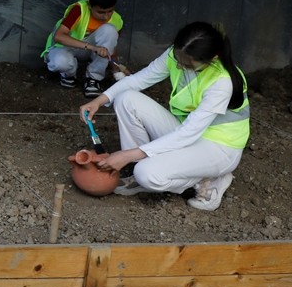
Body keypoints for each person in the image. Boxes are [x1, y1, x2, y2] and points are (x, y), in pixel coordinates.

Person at [80, 21, 250, 212]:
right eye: (177, 57)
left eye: (186, 64)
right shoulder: (177, 54)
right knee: (126, 99)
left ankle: (206, 182)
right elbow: (138, 80)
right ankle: (141, 170)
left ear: (212, 58)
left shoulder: (222, 81)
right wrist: (99, 100)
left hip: (218, 148)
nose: (178, 64)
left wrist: (126, 155)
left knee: (147, 174)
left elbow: (188, 133)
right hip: (187, 132)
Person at [41, 0, 123, 98]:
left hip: (89, 51)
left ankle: (93, 79)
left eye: (110, 11)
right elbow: (59, 36)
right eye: (101, 12)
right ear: (90, 5)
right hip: (65, 47)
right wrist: (93, 47)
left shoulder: (117, 20)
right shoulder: (79, 10)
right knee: (60, 62)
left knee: (110, 30)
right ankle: (68, 75)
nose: (106, 16)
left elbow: (111, 48)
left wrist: (118, 70)